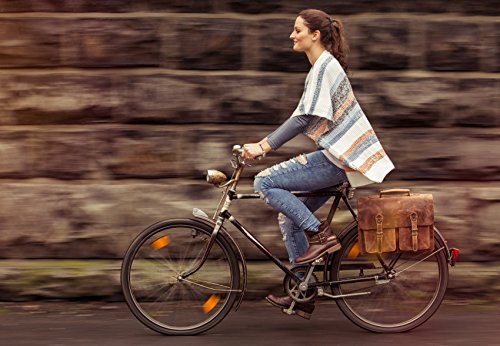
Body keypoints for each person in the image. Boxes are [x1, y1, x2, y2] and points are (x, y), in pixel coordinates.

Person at [242, 9, 395, 319]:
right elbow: (310, 117)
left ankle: (321, 236)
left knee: (264, 182)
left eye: (297, 30)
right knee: (289, 218)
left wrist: (263, 146)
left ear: (315, 35)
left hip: (340, 159)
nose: (291, 35)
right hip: (341, 158)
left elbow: (303, 119)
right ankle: (304, 291)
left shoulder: (325, 66)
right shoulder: (322, 67)